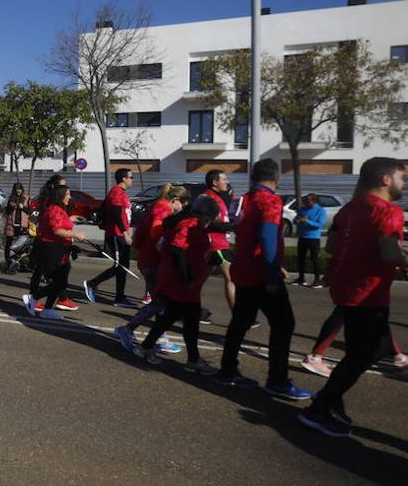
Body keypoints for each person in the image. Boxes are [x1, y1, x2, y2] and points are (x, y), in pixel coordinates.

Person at [299, 157, 408, 438]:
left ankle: (330, 402)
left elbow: (332, 246)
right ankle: (319, 407)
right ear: (386, 179)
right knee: (368, 353)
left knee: (358, 353)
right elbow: (389, 252)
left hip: (347, 290)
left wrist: (397, 264)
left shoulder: (348, 210)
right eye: (403, 178)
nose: (405, 184)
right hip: (368, 295)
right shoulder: (388, 211)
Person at [215, 159, 310, 399]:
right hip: (260, 272)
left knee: (241, 321)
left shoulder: (244, 200)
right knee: (284, 323)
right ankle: (277, 379)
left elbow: (239, 228)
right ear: (276, 179)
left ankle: (227, 370)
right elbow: (268, 237)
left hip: (244, 269)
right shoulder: (270, 201)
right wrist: (272, 272)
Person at [128, 195, 223, 372]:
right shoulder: (189, 224)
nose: (210, 221)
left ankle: (146, 347)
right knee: (190, 320)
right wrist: (186, 278)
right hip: (179, 279)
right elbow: (177, 249)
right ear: (204, 215)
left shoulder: (197, 224)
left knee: (170, 316)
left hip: (181, 279)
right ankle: (192, 360)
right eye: (210, 217)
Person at [116, 184, 189, 354]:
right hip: (152, 263)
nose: (182, 209)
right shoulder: (162, 210)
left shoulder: (160, 207)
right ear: (176, 200)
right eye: (183, 205)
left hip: (151, 261)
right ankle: (128, 329)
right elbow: (156, 234)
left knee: (161, 302)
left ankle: (158, 336)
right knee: (160, 302)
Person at [22, 182, 89, 320]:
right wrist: (77, 235)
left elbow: (60, 224)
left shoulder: (59, 209)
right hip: (52, 249)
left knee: (60, 282)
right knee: (59, 282)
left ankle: (47, 309)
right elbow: (57, 230)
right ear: (60, 196)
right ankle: (33, 298)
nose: (70, 197)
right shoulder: (54, 210)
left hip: (61, 249)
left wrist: (71, 219)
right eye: (68, 194)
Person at [86, 168, 136, 307]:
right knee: (119, 265)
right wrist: (125, 233)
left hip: (121, 233)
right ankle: (92, 283)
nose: (133, 179)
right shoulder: (116, 192)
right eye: (131, 177)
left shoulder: (122, 193)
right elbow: (115, 213)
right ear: (124, 179)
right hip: (116, 234)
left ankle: (120, 298)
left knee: (123, 266)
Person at [200, 169, 238, 317]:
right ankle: (238, 317)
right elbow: (206, 224)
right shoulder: (207, 199)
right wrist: (232, 227)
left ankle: (188, 310)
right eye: (224, 179)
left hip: (218, 243)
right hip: (216, 244)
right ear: (215, 182)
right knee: (231, 279)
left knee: (197, 281)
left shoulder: (217, 198)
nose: (227, 182)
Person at [293, 193, 328, 287]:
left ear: (313, 201)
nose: (304, 202)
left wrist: (307, 221)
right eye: (304, 200)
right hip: (302, 237)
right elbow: (295, 219)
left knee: (314, 259)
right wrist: (296, 220)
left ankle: (317, 280)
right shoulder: (302, 210)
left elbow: (319, 225)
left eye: (306, 200)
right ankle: (301, 278)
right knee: (301, 258)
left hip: (313, 238)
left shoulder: (321, 210)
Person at [2, 183, 30, 271]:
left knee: (21, 246)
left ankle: (17, 262)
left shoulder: (26, 198)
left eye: (20, 189)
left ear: (22, 189)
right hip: (11, 224)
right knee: (8, 244)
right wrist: (11, 206)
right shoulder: (11, 198)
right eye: (16, 189)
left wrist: (23, 207)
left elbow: (30, 211)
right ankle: (7, 262)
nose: (18, 191)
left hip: (22, 225)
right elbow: (6, 211)